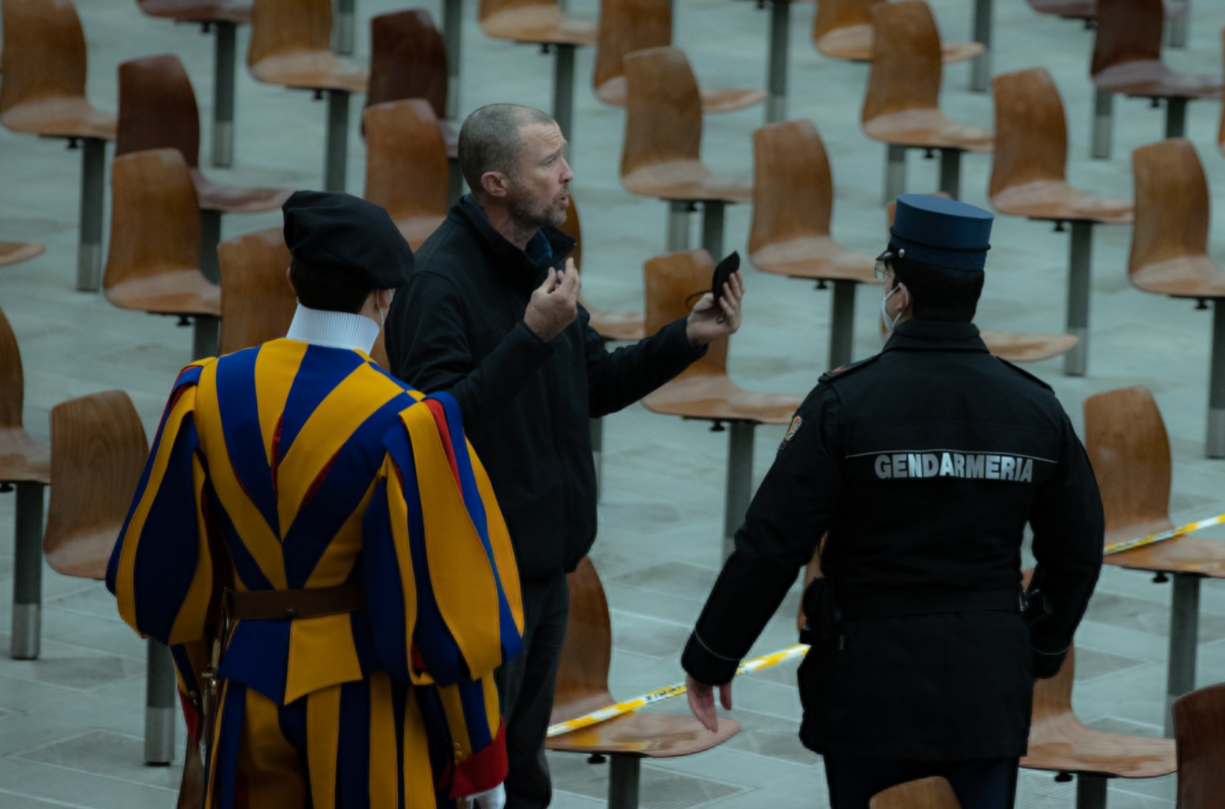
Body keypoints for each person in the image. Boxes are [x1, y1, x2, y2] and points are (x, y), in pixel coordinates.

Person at [680, 195, 1104, 809]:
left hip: (869, 679)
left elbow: (772, 544)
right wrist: (1040, 646)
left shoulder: (844, 404)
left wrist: (713, 654)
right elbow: (1078, 549)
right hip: (987, 680)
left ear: (899, 294)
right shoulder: (1035, 410)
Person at [107, 191, 523, 809]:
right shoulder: (409, 424)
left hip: (246, 693)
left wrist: (202, 702)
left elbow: (175, 577)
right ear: (385, 295)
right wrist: (482, 764)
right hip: (365, 702)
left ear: (290, 277)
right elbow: (446, 615)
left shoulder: (203, 392)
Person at [384, 103, 745, 808]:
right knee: (469, 775)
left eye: (563, 155)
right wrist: (529, 337)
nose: (568, 172)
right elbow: (434, 426)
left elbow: (598, 382)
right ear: (494, 181)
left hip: (546, 571)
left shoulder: (541, 254)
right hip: (478, 575)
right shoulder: (439, 283)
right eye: (548, 160)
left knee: (524, 768)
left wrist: (686, 335)